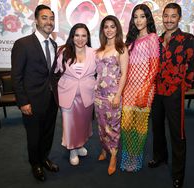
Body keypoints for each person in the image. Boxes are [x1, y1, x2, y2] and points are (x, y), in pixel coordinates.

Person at [147, 3, 194, 188]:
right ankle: (160, 157)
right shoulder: (158, 40)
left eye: (173, 16)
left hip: (174, 92)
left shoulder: (187, 38)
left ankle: (178, 174)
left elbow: (192, 65)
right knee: (157, 128)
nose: (169, 19)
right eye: (166, 16)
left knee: (177, 133)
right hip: (157, 91)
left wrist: (183, 87)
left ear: (179, 17)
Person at [11, 5, 60, 182]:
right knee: (34, 137)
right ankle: (35, 164)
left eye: (51, 18)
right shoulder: (23, 44)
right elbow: (16, 77)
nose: (49, 22)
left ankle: (44, 158)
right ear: (36, 21)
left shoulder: (54, 44)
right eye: (45, 18)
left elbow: (53, 74)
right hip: (32, 101)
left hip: (52, 100)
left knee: (48, 134)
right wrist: (23, 102)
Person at [120, 4, 159, 172]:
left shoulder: (152, 38)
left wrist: (144, 89)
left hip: (145, 88)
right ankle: (127, 155)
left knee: (140, 126)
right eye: (135, 17)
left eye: (142, 16)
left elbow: (154, 67)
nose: (138, 20)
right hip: (129, 88)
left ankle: (135, 159)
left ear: (148, 18)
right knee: (126, 125)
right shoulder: (130, 40)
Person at [56, 23, 96, 166]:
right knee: (69, 124)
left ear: (88, 37)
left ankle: (79, 145)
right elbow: (56, 71)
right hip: (67, 94)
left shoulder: (94, 52)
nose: (80, 39)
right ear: (72, 37)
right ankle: (72, 149)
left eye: (83, 35)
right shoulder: (63, 51)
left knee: (83, 123)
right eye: (77, 35)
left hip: (87, 95)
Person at [95, 15, 128, 175]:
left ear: (117, 29)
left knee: (113, 126)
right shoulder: (99, 49)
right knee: (101, 125)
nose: (109, 29)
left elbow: (124, 74)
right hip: (98, 96)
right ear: (102, 30)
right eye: (106, 26)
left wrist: (117, 95)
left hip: (113, 95)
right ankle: (104, 149)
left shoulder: (121, 48)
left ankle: (113, 155)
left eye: (112, 26)